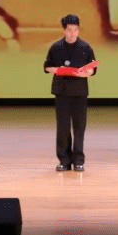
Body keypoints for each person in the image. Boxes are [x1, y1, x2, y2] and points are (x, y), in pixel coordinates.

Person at [44, 14, 97, 171]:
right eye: (69, 30)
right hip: (62, 92)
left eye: (75, 30)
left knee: (79, 128)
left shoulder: (85, 47)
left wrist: (84, 73)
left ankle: (78, 160)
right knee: (63, 128)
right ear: (64, 30)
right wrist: (60, 70)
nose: (72, 33)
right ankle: (64, 161)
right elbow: (47, 66)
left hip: (79, 93)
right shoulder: (56, 47)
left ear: (78, 30)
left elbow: (92, 68)